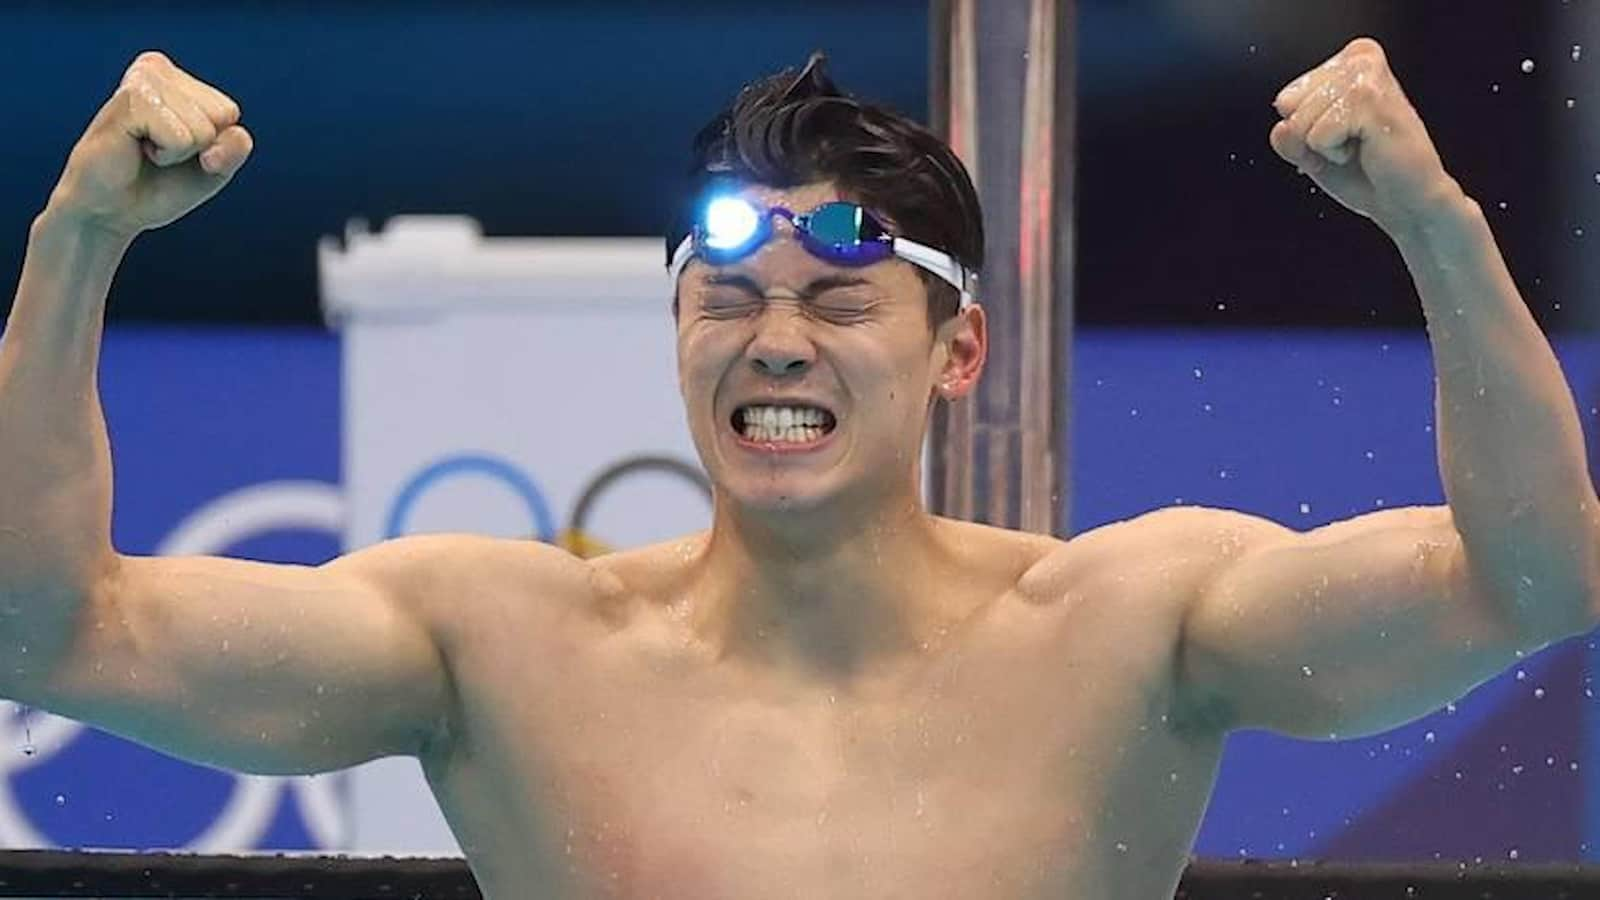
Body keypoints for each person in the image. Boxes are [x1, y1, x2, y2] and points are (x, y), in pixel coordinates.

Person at [1, 38, 1595, 900]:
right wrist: (76, 240)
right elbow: (49, 630)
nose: (776, 341)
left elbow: (1530, 578)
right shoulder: (497, 648)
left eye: (838, 302)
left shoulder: (1129, 629)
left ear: (956, 354)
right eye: (728, 304)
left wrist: (1437, 229)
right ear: (678, 339)